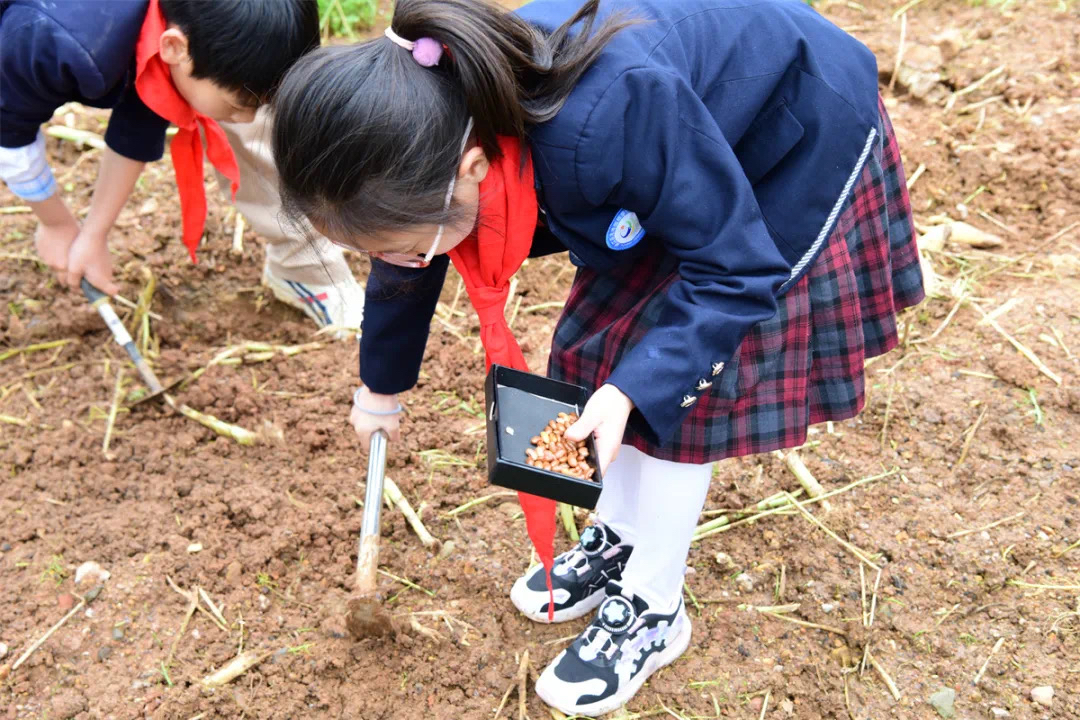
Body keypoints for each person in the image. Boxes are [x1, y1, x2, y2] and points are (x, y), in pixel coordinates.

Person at [270, 0, 925, 715]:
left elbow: (733, 272)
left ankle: (655, 604)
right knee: (603, 352)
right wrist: (381, 389)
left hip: (790, 134)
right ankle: (618, 535)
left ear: (473, 167)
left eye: (404, 244)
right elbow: (408, 258)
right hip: (676, 150)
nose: (401, 263)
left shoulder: (602, 119)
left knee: (682, 401)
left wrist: (631, 395)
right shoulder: (419, 130)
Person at [0, 0, 364, 330]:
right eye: (240, 104)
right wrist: (57, 224)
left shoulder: (172, 35)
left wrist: (93, 233)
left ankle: (303, 271)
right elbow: (8, 134)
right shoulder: (58, 42)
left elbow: (142, 116)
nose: (245, 117)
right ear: (174, 47)